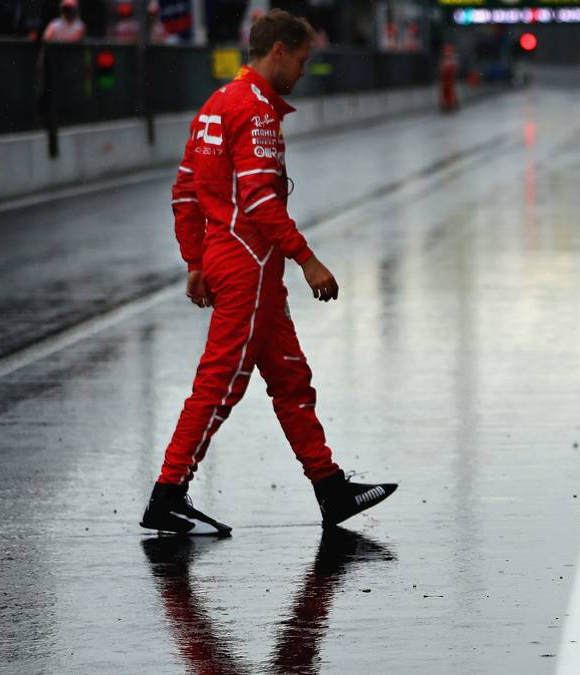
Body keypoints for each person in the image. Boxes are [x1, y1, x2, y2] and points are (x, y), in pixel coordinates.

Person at [140, 9, 397, 536]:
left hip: (232, 260)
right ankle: (168, 492)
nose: (304, 71)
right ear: (277, 50)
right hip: (250, 265)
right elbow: (258, 198)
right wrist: (307, 259)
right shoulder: (256, 110)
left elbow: (185, 190)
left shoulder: (214, 106)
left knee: (290, 378)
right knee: (221, 382)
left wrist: (194, 260)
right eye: (301, 60)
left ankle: (331, 489)